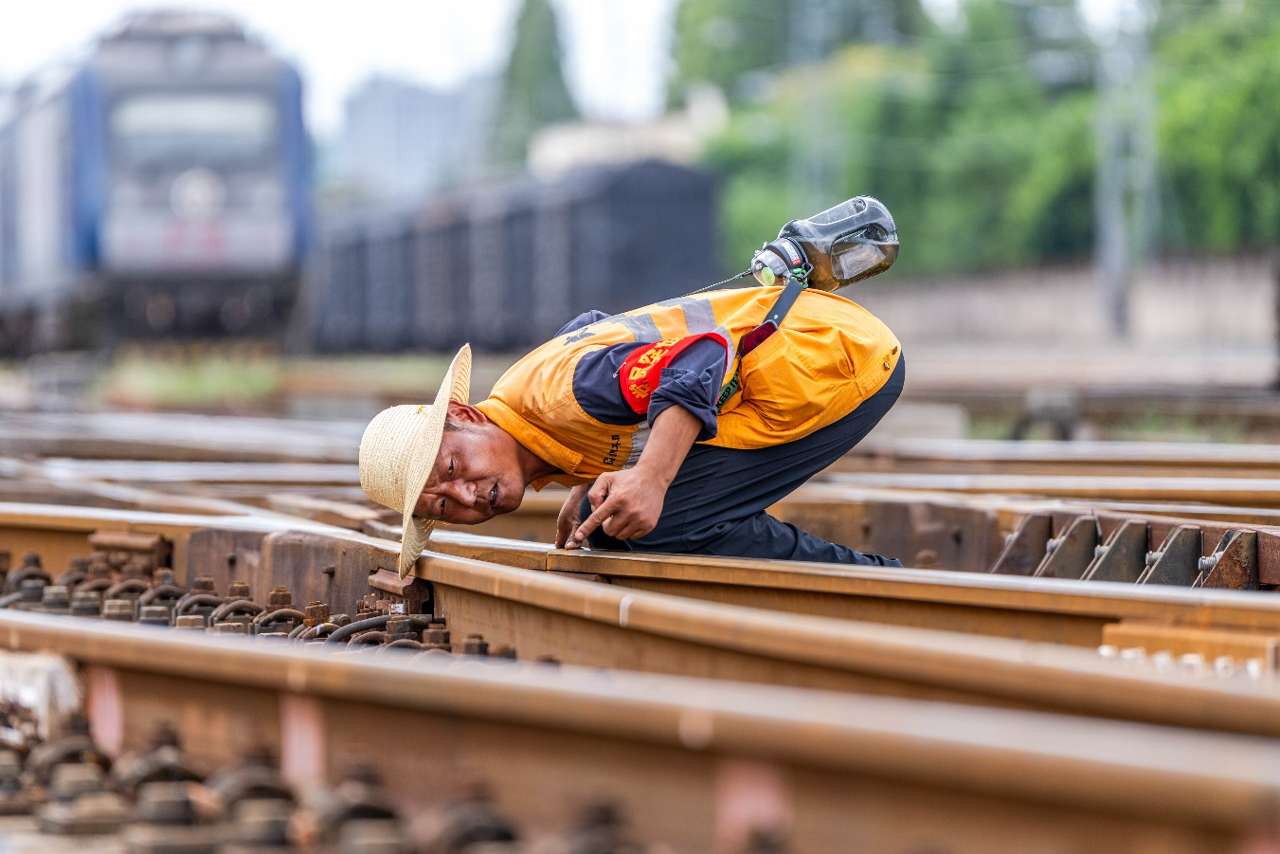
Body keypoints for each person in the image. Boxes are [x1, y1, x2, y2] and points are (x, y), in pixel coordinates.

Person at [359, 284, 904, 578]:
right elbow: (589, 326)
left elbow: (702, 353)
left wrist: (650, 478)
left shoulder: (559, 394)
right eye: (445, 507)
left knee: (659, 518)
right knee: (609, 522)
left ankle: (874, 582)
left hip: (833, 361)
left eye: (452, 468)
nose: (465, 494)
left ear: (469, 417)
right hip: (808, 350)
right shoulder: (528, 410)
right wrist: (591, 475)